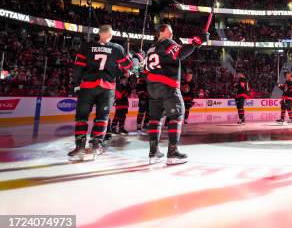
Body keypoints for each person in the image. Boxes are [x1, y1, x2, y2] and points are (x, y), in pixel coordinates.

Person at [68, 25, 133, 161]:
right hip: (106, 87)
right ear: (110, 35)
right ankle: (97, 146)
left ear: (99, 34)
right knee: (102, 117)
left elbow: (78, 67)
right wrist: (134, 58)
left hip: (87, 86)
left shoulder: (86, 47)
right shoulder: (116, 48)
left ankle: (79, 146)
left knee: (81, 117)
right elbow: (128, 65)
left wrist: (75, 85)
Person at [144, 24, 202, 165]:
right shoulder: (167, 42)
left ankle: (153, 152)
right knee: (177, 114)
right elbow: (180, 53)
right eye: (169, 32)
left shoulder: (151, 48)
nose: (171, 35)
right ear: (161, 33)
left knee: (155, 119)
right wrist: (195, 43)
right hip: (167, 85)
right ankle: (173, 152)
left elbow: (145, 70)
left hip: (152, 87)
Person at [109, 72, 131, 136]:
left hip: (125, 103)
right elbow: (121, 94)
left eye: (126, 80)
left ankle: (121, 128)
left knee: (123, 116)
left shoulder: (126, 86)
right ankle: (113, 128)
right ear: (121, 80)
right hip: (119, 102)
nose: (125, 81)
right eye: (124, 80)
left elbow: (127, 93)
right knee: (117, 115)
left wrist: (128, 77)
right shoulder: (118, 86)